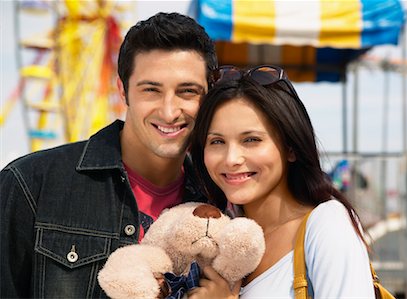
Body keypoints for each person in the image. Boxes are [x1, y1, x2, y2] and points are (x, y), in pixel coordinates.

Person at [0, 12, 218, 298]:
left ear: (209, 96)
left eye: (187, 91)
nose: (169, 111)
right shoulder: (30, 185)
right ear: (123, 91)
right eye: (151, 90)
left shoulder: (219, 199)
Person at [189, 65, 375, 298]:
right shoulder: (218, 239)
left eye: (251, 140)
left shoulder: (327, 224)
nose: (231, 159)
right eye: (217, 142)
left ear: (291, 148)